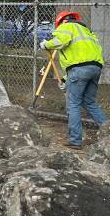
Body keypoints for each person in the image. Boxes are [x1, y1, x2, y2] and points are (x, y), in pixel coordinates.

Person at [42, 10, 106, 149]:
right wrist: (66, 79)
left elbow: (60, 41)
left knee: (73, 104)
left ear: (62, 21)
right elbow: (85, 59)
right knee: (89, 102)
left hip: (79, 70)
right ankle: (107, 130)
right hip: (95, 68)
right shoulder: (88, 32)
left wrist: (46, 44)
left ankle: (75, 140)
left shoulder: (67, 26)